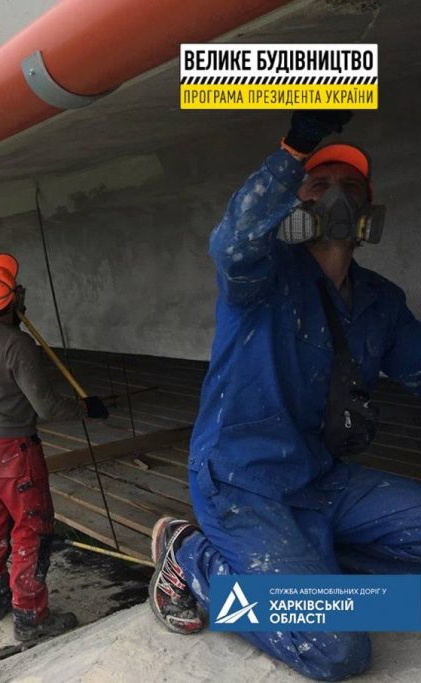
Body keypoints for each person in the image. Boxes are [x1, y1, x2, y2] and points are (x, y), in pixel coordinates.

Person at [149, 111, 421, 680]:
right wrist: (295, 150)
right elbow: (231, 242)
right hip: (244, 481)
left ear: (368, 210)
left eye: (351, 189)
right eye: (319, 188)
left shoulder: (381, 300)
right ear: (295, 206)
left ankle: (313, 564)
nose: (337, 200)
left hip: (323, 479)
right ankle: (191, 556)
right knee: (338, 648)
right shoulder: (261, 275)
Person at [0, 253, 110, 642]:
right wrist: (86, 408)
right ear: (12, 301)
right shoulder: (17, 346)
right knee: (32, 527)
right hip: (10, 449)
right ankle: (30, 614)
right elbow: (48, 406)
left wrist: (11, 308)